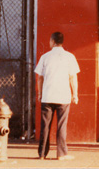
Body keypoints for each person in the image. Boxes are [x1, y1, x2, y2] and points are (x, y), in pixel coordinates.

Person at [34, 31, 79, 161]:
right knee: (61, 126)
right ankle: (61, 154)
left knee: (45, 126)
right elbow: (73, 78)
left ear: (52, 41)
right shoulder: (70, 57)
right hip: (64, 96)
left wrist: (40, 93)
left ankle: (42, 154)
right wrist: (75, 94)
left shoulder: (45, 57)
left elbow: (40, 78)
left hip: (48, 96)